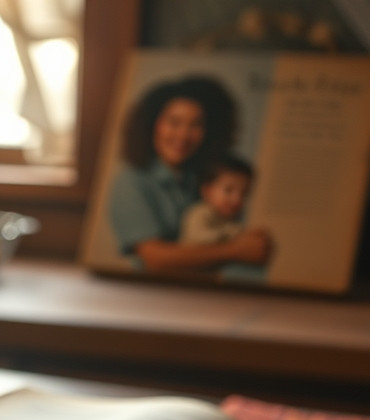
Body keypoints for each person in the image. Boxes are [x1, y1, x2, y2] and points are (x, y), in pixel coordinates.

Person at [106, 75, 272, 273]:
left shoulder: (203, 177)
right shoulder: (131, 182)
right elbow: (155, 260)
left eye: (195, 125)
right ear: (153, 125)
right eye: (174, 123)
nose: (183, 135)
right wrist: (235, 250)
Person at [179, 155, 253, 245]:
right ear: (207, 191)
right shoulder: (200, 213)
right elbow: (198, 239)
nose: (237, 199)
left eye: (244, 193)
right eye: (228, 190)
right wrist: (232, 233)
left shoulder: (230, 220)